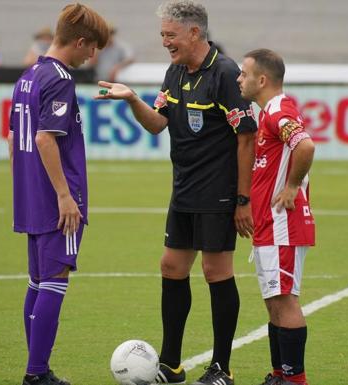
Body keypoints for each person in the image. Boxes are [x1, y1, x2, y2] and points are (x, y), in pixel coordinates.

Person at [96, 1, 256, 384]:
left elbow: (247, 137)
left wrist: (242, 199)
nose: (165, 41)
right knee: (171, 266)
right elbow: (157, 124)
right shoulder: (175, 72)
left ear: (194, 33)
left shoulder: (224, 72)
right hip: (184, 189)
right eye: (163, 34)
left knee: (215, 271)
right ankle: (170, 364)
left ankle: (222, 368)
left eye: (171, 34)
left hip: (217, 192)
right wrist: (133, 99)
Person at [8, 3, 109, 385]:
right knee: (55, 279)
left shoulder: (29, 75)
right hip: (57, 200)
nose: (92, 55)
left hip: (32, 195)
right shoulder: (60, 78)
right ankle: (37, 374)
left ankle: (37, 370)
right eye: (92, 47)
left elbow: (13, 138)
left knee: (38, 280)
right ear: (80, 41)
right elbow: (44, 137)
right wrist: (65, 197)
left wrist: (25, 186)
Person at [237, 49, 315, 385]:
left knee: (284, 301)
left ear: (262, 79)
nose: (239, 79)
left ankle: (295, 380)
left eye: (244, 73)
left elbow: (306, 146)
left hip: (282, 223)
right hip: (270, 225)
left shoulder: (278, 111)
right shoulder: (268, 112)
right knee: (274, 302)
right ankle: (279, 374)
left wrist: (292, 186)